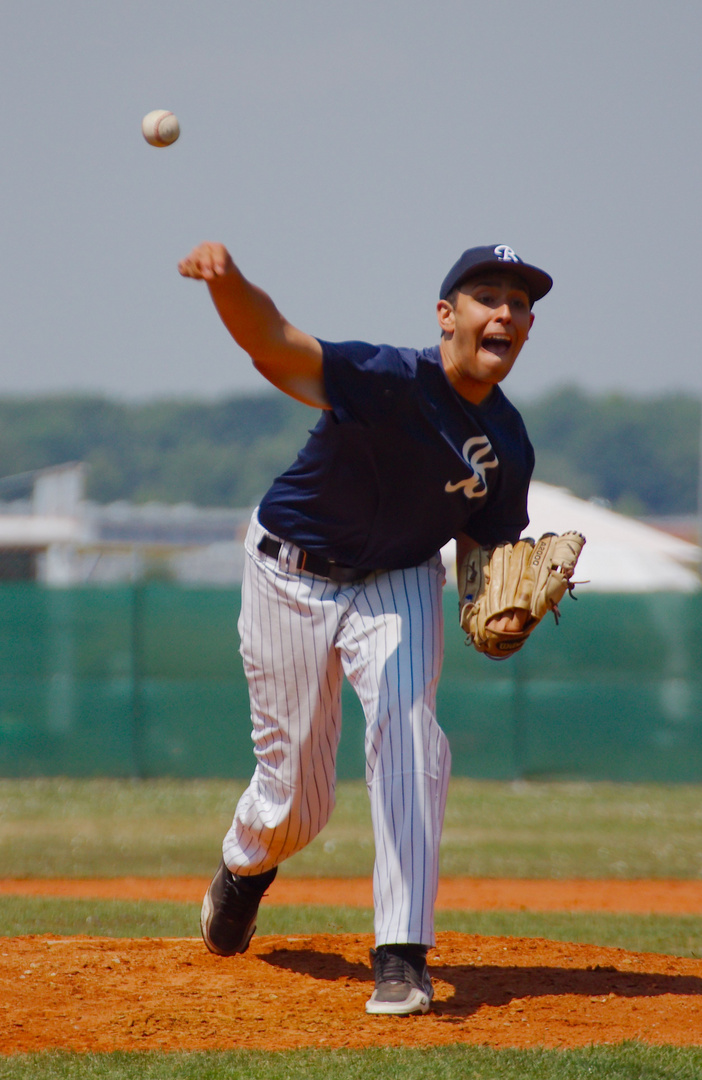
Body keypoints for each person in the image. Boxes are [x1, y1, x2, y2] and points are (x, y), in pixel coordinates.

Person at [178, 241, 553, 1016]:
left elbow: (482, 553)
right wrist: (229, 283)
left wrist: (495, 608)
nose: (507, 313)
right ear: (447, 316)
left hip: (401, 578)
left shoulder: (508, 446)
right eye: (489, 296)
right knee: (295, 802)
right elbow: (274, 346)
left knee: (410, 731)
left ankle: (401, 954)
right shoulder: (387, 380)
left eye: (520, 304)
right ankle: (246, 868)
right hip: (289, 570)